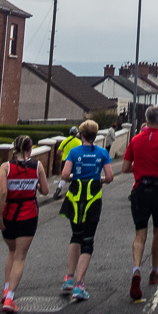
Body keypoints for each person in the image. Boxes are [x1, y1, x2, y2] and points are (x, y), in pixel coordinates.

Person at [122, 105, 158, 302]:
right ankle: (154, 271)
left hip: (140, 189)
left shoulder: (135, 140)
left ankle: (136, 268)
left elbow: (124, 168)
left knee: (140, 233)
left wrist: (140, 169)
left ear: (146, 120)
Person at [59, 120, 114, 302]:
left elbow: (65, 175)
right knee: (88, 241)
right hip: (93, 200)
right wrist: (100, 180)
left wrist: (76, 176)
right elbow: (110, 177)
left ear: (81, 135)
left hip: (75, 200)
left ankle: (69, 277)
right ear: (95, 135)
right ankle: (79, 285)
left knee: (75, 236)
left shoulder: (74, 152)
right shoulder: (102, 153)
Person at [0, 135, 50, 312]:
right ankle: (10, 298)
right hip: (28, 215)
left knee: (11, 251)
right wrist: (34, 185)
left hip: (9, 215)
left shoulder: (5, 167)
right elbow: (45, 190)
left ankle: (6, 289)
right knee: (20, 256)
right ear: (30, 149)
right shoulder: (38, 166)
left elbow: (3, 192)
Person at [54, 127, 81, 200]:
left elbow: (58, 152)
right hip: (74, 162)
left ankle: (59, 189)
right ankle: (73, 191)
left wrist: (63, 156)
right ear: (76, 133)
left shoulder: (64, 141)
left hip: (65, 161)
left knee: (64, 177)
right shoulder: (78, 142)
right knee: (75, 176)